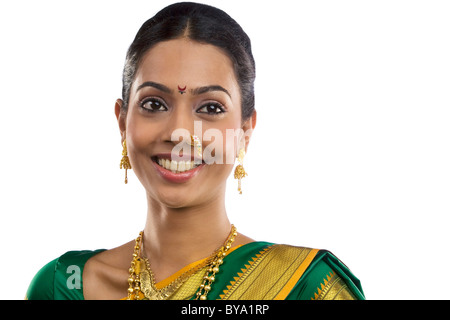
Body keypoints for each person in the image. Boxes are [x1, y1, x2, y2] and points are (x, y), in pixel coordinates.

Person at [26, 2, 365, 300]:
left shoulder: (305, 288)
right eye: (154, 103)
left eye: (211, 109)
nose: (180, 133)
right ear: (122, 121)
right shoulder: (65, 287)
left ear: (245, 132)